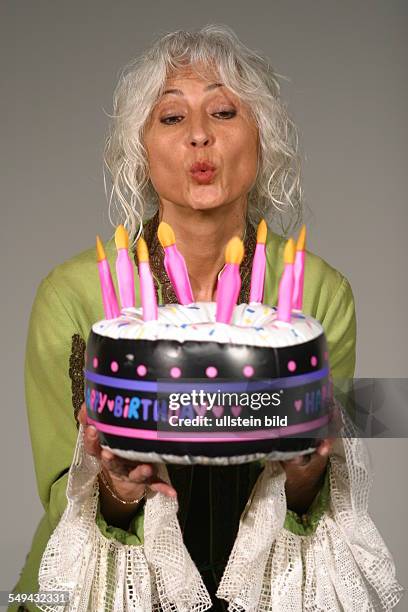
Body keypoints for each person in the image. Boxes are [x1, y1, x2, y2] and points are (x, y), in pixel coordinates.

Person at [12, 25, 402, 612]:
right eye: (171, 118)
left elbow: (325, 483)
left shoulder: (318, 294)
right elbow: (59, 496)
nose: (199, 136)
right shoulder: (71, 297)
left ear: (263, 136)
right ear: (139, 148)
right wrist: (116, 490)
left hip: (269, 587)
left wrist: (306, 471)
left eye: (223, 111)